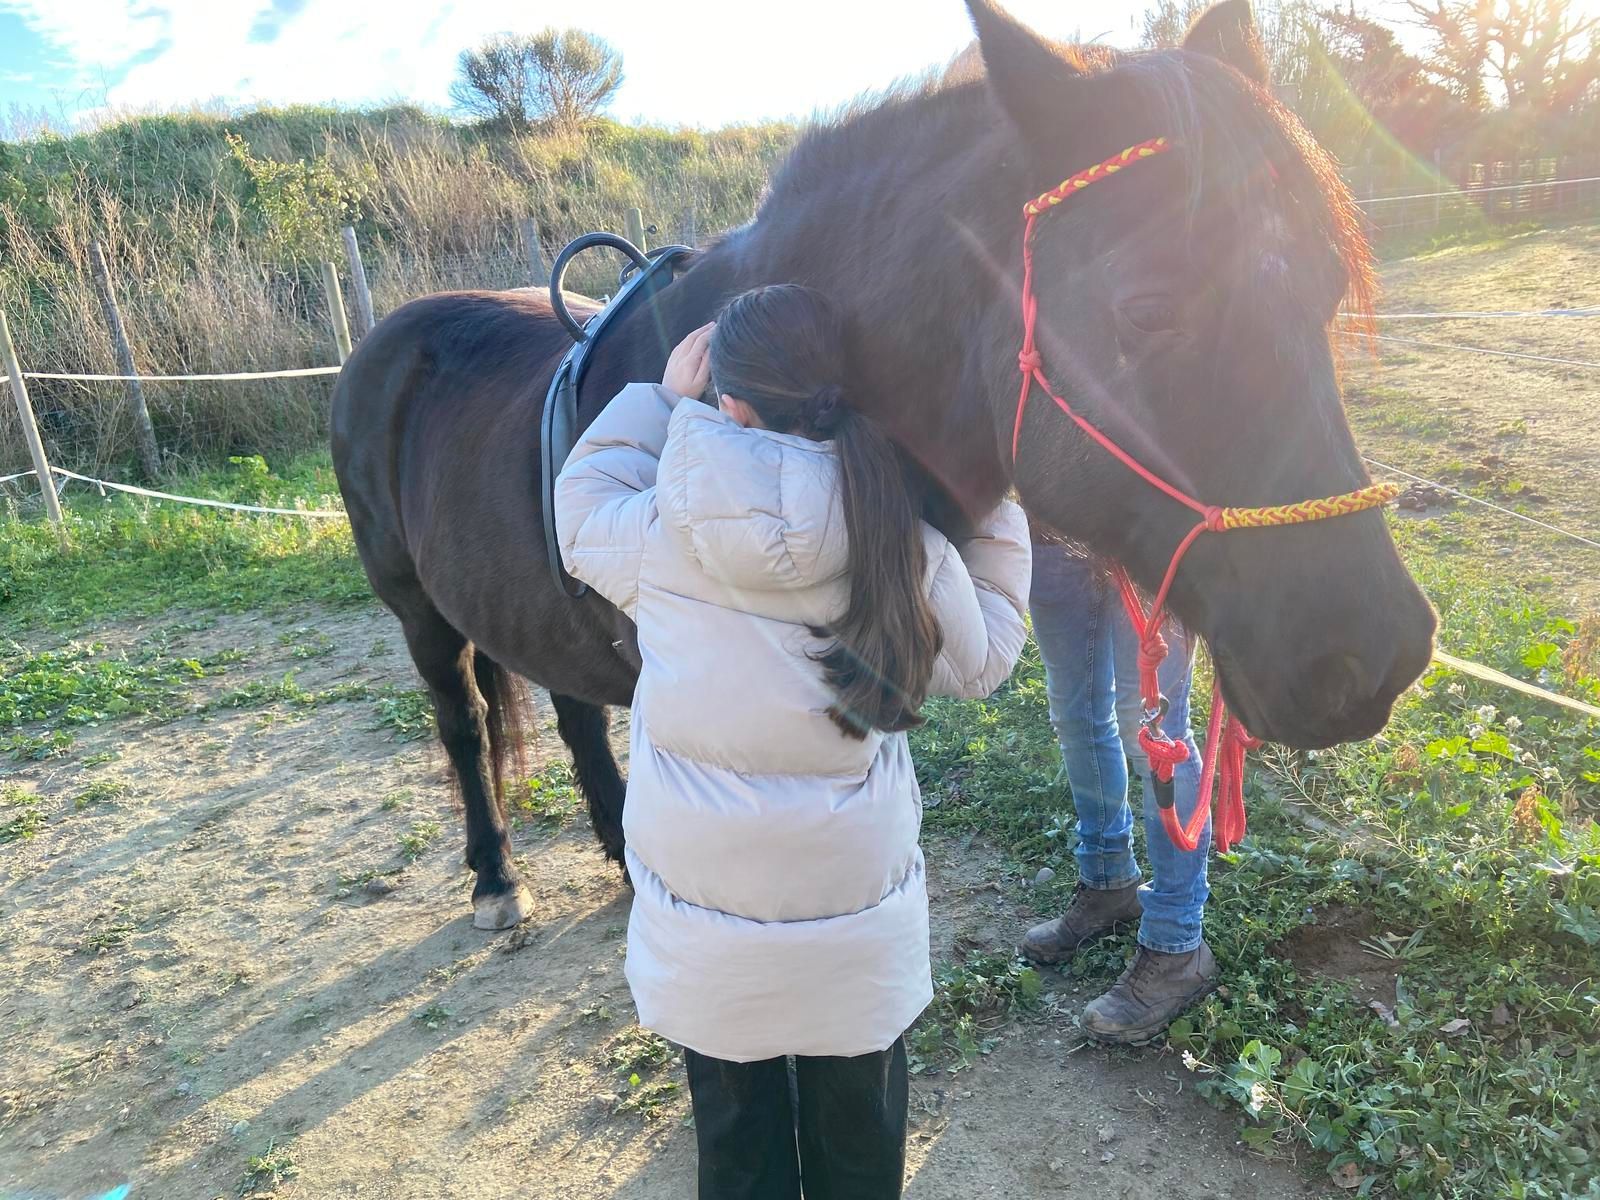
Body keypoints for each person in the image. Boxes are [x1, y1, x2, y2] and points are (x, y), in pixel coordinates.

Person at [555, 284, 1031, 1200]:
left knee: (737, 1151)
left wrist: (659, 399)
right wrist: (995, 502)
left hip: (707, 928)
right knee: (861, 1148)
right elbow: (986, 658)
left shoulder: (656, 531)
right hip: (856, 929)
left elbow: (579, 509)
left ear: (728, 399)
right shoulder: (901, 543)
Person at [1020, 540, 1217, 1045]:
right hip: (1052, 531)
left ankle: (1177, 943)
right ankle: (1108, 884)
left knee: (1155, 730)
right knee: (1075, 713)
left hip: (1147, 531)